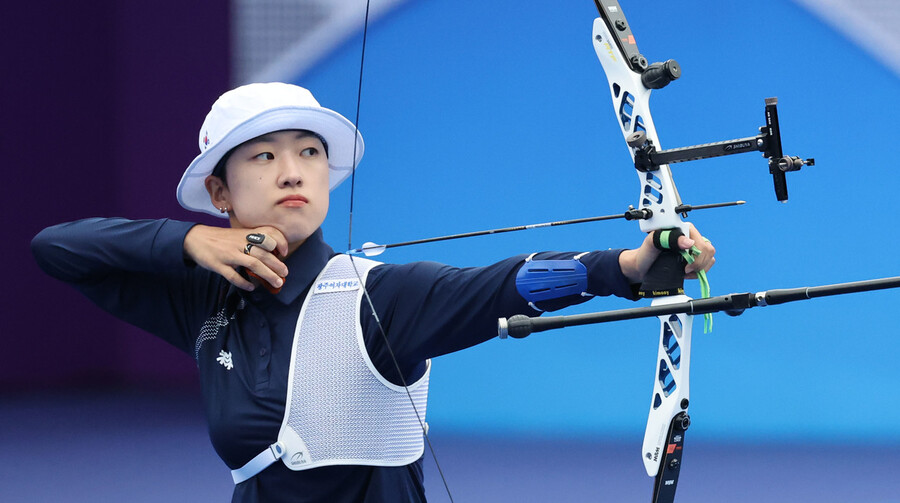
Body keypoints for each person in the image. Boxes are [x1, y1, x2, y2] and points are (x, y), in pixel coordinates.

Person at [31, 82, 715, 503]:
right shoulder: (207, 300)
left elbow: (500, 285)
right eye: (263, 156)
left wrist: (625, 264)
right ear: (220, 191)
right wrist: (190, 242)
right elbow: (59, 249)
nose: (292, 170)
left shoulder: (376, 298)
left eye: (308, 152)